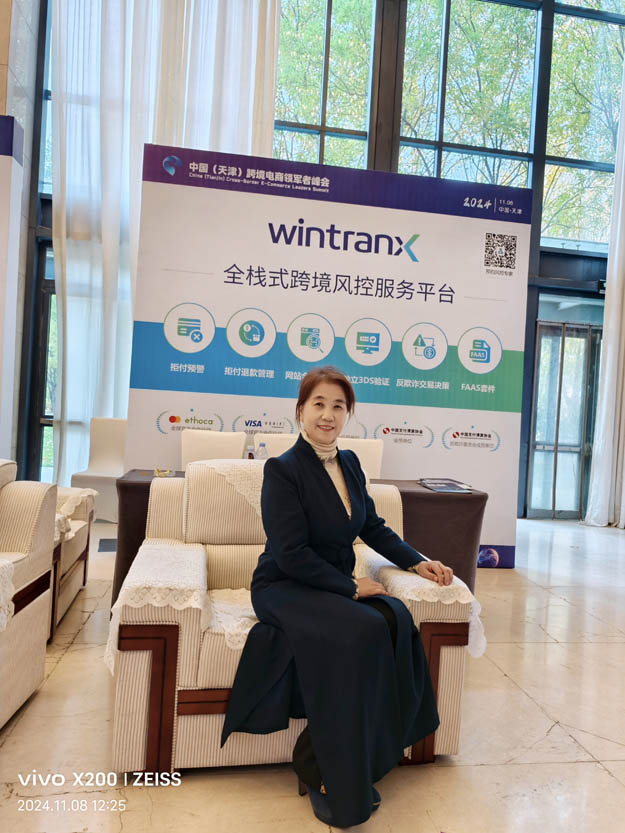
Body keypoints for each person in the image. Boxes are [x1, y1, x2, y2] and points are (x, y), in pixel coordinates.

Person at [221, 365, 453, 828]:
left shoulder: (350, 463)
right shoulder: (282, 470)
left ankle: (359, 752)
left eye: (338, 406)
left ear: (349, 414)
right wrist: (349, 586)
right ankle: (324, 770)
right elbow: (290, 553)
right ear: (300, 411)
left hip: (324, 584)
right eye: (319, 405)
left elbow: (372, 526)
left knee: (394, 617)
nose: (328, 415)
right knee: (363, 629)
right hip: (283, 586)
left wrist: (416, 561)